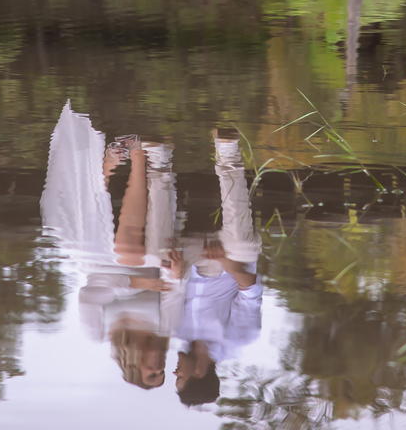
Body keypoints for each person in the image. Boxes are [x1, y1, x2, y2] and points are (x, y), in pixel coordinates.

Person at [40, 103, 184, 389]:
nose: (160, 367)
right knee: (141, 252)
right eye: (163, 372)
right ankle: (138, 157)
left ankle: (122, 161)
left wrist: (132, 282)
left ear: (133, 367)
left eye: (153, 374)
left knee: (126, 249)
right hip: (150, 262)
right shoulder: (167, 328)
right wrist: (176, 273)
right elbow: (176, 288)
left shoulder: (99, 332)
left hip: (99, 264)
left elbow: (90, 294)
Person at [173, 129, 263, 405]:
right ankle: (227, 151)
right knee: (245, 247)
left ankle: (158, 163)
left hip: (191, 261)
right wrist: (223, 260)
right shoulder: (239, 338)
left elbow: (168, 288)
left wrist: (175, 274)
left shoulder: (176, 331)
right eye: (180, 377)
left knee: (156, 255)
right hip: (228, 261)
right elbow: (250, 288)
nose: (174, 371)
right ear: (199, 372)